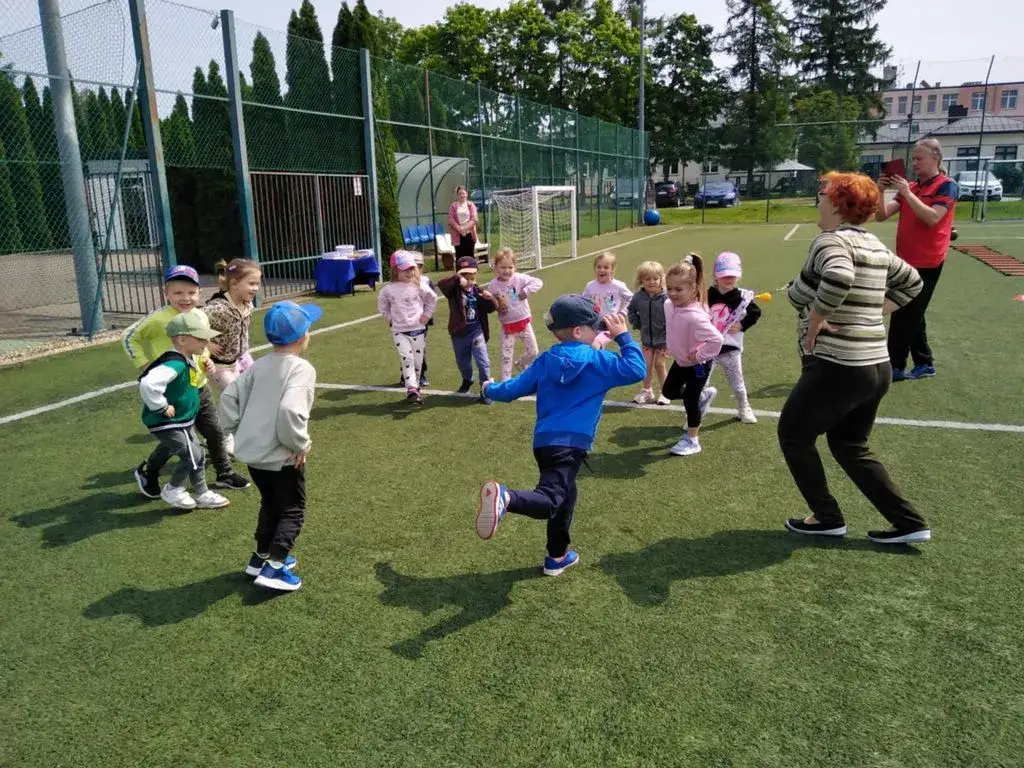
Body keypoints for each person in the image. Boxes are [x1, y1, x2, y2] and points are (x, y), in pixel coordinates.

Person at [781, 171, 930, 544]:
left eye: (822, 194)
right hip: (876, 366)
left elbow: (839, 276)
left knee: (794, 435)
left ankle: (826, 517)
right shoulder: (873, 244)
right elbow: (913, 282)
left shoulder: (830, 241)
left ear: (836, 203)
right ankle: (909, 523)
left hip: (841, 365)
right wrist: (874, 313)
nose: (818, 200)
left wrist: (818, 318)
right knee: (849, 445)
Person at [474, 295, 646, 576]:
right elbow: (636, 369)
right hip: (571, 444)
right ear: (578, 331)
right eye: (595, 328)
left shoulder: (547, 360)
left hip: (544, 442)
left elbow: (512, 389)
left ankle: (557, 556)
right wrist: (623, 337)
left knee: (566, 497)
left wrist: (488, 388)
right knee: (551, 499)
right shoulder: (597, 361)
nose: (599, 333)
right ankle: (507, 498)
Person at [219, 300, 323, 592]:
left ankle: (261, 557)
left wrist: (237, 431)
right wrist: (300, 444)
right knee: (293, 509)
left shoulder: (259, 364)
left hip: (254, 455)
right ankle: (275, 567)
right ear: (303, 337)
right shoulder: (301, 369)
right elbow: (290, 410)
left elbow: (228, 398)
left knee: (270, 504)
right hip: (282, 456)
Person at [123, 265, 250, 495]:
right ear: (166, 293)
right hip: (174, 392)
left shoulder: (200, 315)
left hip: (198, 385)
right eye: (178, 293)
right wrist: (144, 364)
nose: (185, 298)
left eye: (191, 292)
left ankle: (224, 473)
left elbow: (200, 343)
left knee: (214, 431)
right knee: (178, 439)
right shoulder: (158, 318)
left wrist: (206, 359)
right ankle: (149, 471)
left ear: (199, 293)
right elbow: (129, 337)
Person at [876, 138, 958, 382]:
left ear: (936, 158)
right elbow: (881, 215)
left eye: (919, 158)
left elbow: (932, 218)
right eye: (913, 159)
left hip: (929, 261)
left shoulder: (947, 186)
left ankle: (895, 367)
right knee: (914, 312)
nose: (914, 163)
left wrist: (907, 193)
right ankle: (924, 362)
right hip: (905, 260)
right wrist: (880, 191)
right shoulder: (911, 186)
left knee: (903, 312)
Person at [138, 309, 231, 511]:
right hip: (168, 423)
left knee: (198, 455)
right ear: (182, 340)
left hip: (182, 420)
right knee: (193, 456)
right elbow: (148, 384)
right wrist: (161, 406)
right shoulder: (175, 363)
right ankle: (173, 489)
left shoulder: (186, 358)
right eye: (201, 339)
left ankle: (201, 492)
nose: (206, 343)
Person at [662, 255, 723, 456]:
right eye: (669, 288)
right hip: (681, 361)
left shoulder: (695, 316)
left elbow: (717, 340)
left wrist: (700, 356)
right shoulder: (668, 305)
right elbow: (674, 328)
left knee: (690, 399)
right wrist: (671, 345)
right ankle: (704, 396)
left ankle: (692, 440)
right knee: (669, 391)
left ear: (692, 289)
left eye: (678, 289)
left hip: (698, 364)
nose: (672, 293)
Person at [203, 258, 262, 455]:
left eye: (258, 283)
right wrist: (207, 344)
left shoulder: (247, 304)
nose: (256, 288)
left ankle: (217, 434)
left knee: (243, 395)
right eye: (251, 283)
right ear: (235, 284)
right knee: (234, 397)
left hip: (235, 362)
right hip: (217, 365)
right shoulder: (218, 308)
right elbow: (191, 323)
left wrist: (243, 353)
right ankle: (223, 437)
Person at [707, 251, 761, 424]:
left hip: (730, 348)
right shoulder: (707, 295)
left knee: (737, 384)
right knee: (701, 384)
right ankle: (695, 414)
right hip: (707, 349)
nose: (728, 279)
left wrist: (742, 325)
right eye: (724, 275)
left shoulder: (743, 297)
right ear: (716, 276)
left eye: (732, 275)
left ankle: (744, 408)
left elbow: (755, 312)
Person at [378, 250, 437, 405]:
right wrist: (390, 319)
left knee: (418, 363)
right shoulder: (388, 289)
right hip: (400, 331)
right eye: (405, 269)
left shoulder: (419, 285)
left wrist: (427, 315)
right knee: (407, 359)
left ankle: (415, 388)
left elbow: (432, 299)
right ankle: (411, 388)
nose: (410, 272)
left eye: (412, 268)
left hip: (418, 329)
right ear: (395, 270)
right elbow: (382, 305)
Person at [437, 256, 497, 404]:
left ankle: (486, 391)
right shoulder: (453, 291)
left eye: (472, 278)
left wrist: (490, 298)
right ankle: (468, 379)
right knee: (463, 362)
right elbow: (441, 284)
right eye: (466, 277)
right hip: (459, 334)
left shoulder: (478, 291)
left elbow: (492, 308)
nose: (469, 281)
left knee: (483, 362)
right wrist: (457, 279)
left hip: (476, 333)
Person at [487, 247, 544, 381]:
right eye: (503, 267)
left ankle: (521, 364)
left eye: (510, 267)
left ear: (515, 267)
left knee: (533, 351)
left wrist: (526, 291)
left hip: (523, 323)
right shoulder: (493, 285)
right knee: (506, 356)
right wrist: (496, 306)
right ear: (496, 267)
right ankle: (505, 382)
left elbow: (538, 282)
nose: (507, 271)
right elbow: (492, 303)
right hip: (507, 326)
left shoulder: (519, 278)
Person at [626, 260, 670, 405]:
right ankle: (647, 390)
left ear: (661, 279)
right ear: (641, 280)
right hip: (647, 339)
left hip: (664, 340)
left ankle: (665, 392)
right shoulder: (638, 297)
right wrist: (637, 323)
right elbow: (631, 310)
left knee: (659, 364)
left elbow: (675, 313)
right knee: (646, 364)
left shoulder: (666, 298)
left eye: (655, 279)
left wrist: (670, 329)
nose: (652, 282)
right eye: (647, 279)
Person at [583, 252, 633, 349]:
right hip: (592, 322)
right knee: (588, 346)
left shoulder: (618, 286)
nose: (602, 270)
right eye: (599, 267)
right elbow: (584, 302)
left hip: (609, 324)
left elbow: (632, 299)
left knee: (595, 345)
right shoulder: (590, 286)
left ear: (612, 270)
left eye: (606, 267)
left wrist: (623, 312)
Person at [448, 185, 479, 260]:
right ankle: (460, 268)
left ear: (466, 194)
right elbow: (451, 219)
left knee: (470, 256)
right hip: (457, 235)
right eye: (460, 193)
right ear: (457, 195)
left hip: (469, 234)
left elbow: (474, 219)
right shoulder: (453, 206)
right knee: (459, 256)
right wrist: (459, 229)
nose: (462, 195)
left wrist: (464, 228)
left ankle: (471, 268)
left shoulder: (471, 205)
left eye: (463, 193)